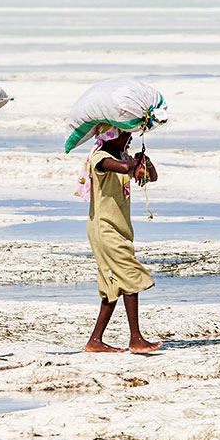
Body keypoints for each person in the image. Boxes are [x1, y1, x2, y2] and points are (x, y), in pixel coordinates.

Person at [81, 127, 162, 353]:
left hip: (121, 229)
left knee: (113, 284)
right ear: (110, 136)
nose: (130, 138)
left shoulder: (123, 157)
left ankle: (94, 341)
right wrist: (134, 164)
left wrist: (146, 163)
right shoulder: (100, 158)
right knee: (129, 275)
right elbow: (125, 168)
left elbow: (150, 177)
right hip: (104, 229)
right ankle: (136, 339)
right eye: (126, 134)